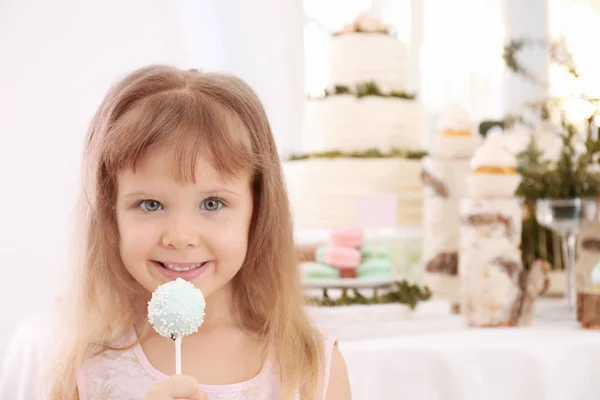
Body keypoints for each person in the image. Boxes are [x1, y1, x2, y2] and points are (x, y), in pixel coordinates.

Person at [0, 66, 351, 400]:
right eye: (150, 204)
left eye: (212, 204)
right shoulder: (82, 366)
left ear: (257, 212)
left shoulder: (311, 369)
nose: (180, 237)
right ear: (111, 216)